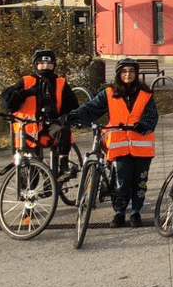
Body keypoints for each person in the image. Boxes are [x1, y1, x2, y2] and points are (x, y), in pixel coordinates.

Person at [66, 58, 158, 228]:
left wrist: (144, 125)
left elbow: (152, 116)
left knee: (140, 182)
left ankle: (136, 212)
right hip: (119, 145)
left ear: (136, 74)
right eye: (124, 71)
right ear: (118, 74)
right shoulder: (109, 93)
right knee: (121, 181)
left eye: (131, 71)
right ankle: (119, 213)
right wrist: (71, 116)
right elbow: (91, 108)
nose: (128, 74)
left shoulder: (146, 94)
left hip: (142, 146)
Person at [0, 49, 79, 182]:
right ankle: (47, 181)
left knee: (63, 130)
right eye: (41, 63)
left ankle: (63, 167)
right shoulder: (26, 81)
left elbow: (73, 106)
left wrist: (68, 118)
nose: (45, 66)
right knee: (32, 176)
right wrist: (27, 93)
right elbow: (7, 102)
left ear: (54, 65)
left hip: (51, 126)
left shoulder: (61, 83)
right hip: (29, 130)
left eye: (49, 63)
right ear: (35, 65)